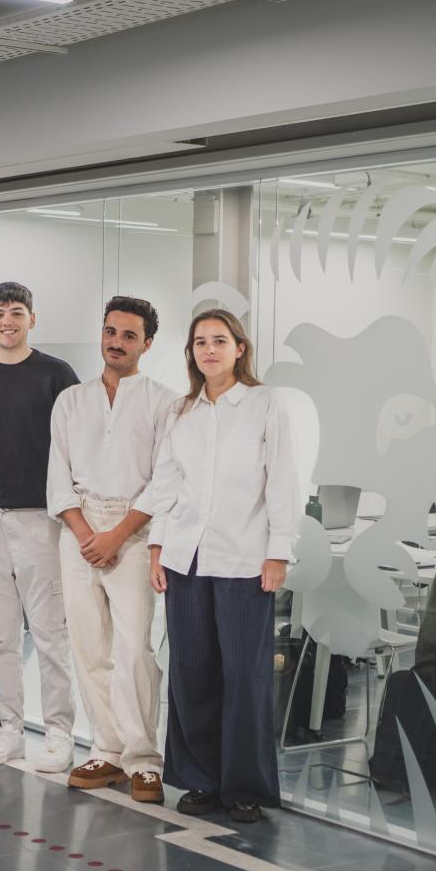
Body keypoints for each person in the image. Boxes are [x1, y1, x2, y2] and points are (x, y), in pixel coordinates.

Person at [142, 309, 296, 824]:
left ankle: (244, 785)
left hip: (244, 559)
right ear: (191, 352)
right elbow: (165, 484)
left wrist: (279, 551)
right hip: (186, 557)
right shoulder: (180, 411)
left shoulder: (263, 404)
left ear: (239, 348)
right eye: (200, 342)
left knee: (244, 676)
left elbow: (283, 482)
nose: (208, 349)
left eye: (219, 340)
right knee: (190, 673)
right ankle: (200, 779)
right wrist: (157, 547)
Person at [48, 297, 178, 804]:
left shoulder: (164, 402)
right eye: (109, 331)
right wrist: (84, 532)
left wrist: (118, 535)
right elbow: (57, 474)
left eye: (128, 335)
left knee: (134, 650)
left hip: (133, 530)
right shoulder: (71, 400)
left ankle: (144, 759)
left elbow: (165, 480)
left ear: (147, 344)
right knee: (89, 646)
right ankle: (106, 748)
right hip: (78, 527)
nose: (116, 342)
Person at [0, 282, 80, 771]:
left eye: (17, 312)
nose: (7, 320)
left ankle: (59, 732)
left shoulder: (56, 375)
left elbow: (71, 446)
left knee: (48, 630)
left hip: (40, 518)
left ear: (32, 318)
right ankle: (9, 728)